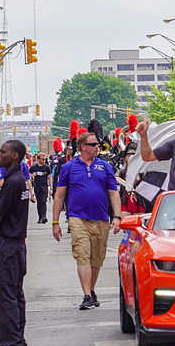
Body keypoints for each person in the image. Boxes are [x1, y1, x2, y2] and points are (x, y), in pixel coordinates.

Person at [52, 131, 122, 310]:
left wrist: (117, 216)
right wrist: (55, 222)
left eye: (97, 144)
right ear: (83, 147)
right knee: (82, 255)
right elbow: (59, 196)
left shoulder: (105, 167)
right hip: (77, 219)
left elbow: (113, 193)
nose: (97, 147)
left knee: (97, 258)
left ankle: (91, 289)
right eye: (93, 144)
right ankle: (86, 295)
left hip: (101, 219)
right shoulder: (69, 167)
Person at [0, 140, 31, 346]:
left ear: (14, 156)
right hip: (17, 245)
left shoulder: (12, 182)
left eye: (3, 152)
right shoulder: (19, 180)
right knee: (15, 296)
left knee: (4, 297)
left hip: (8, 246)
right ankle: (19, 344)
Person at [29, 152, 51, 223]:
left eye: (45, 159)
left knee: (43, 201)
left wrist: (51, 188)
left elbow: (50, 177)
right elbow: (27, 174)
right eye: (42, 159)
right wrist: (32, 175)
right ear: (38, 159)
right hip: (37, 186)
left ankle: (44, 216)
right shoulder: (34, 167)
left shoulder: (47, 167)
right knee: (39, 202)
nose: (44, 161)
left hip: (44, 186)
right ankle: (40, 217)